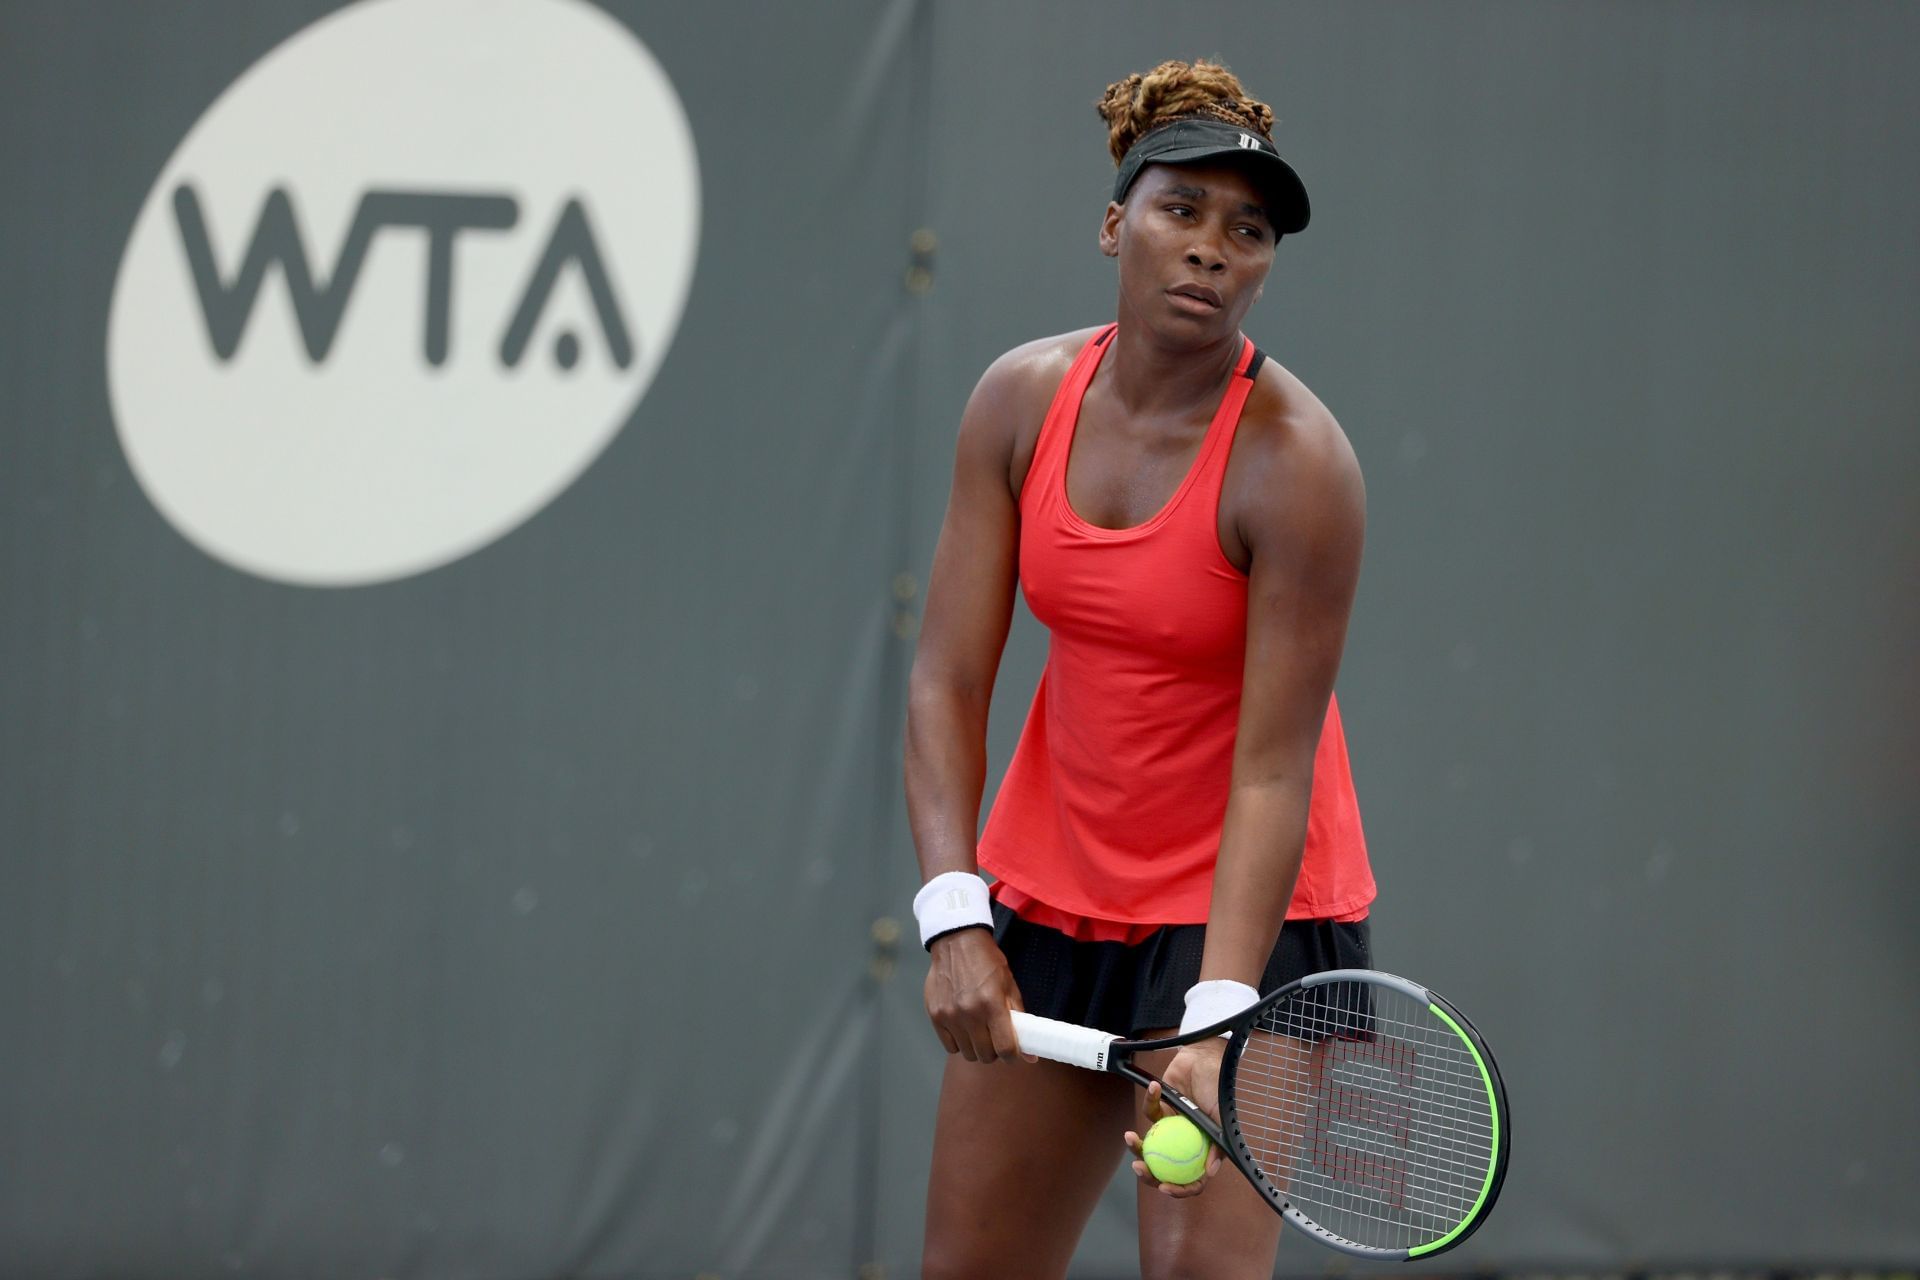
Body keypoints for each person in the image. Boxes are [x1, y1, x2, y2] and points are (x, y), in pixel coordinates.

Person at [903, 58, 1376, 1279]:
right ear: (1118, 223)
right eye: (1183, 212)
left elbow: (1274, 770)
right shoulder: (1019, 401)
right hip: (1052, 897)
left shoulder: (1300, 465)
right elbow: (946, 681)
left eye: (1250, 230)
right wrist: (955, 913)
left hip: (1244, 921)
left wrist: (1219, 1017)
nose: (1214, 249)